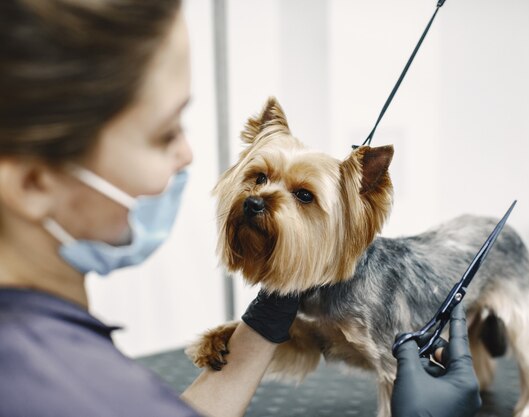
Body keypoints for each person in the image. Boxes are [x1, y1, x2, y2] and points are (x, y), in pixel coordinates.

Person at [0, 1, 481, 416]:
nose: (187, 154)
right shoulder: (53, 388)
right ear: (34, 180)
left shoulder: (39, 357)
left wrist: (266, 323)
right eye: (165, 132)